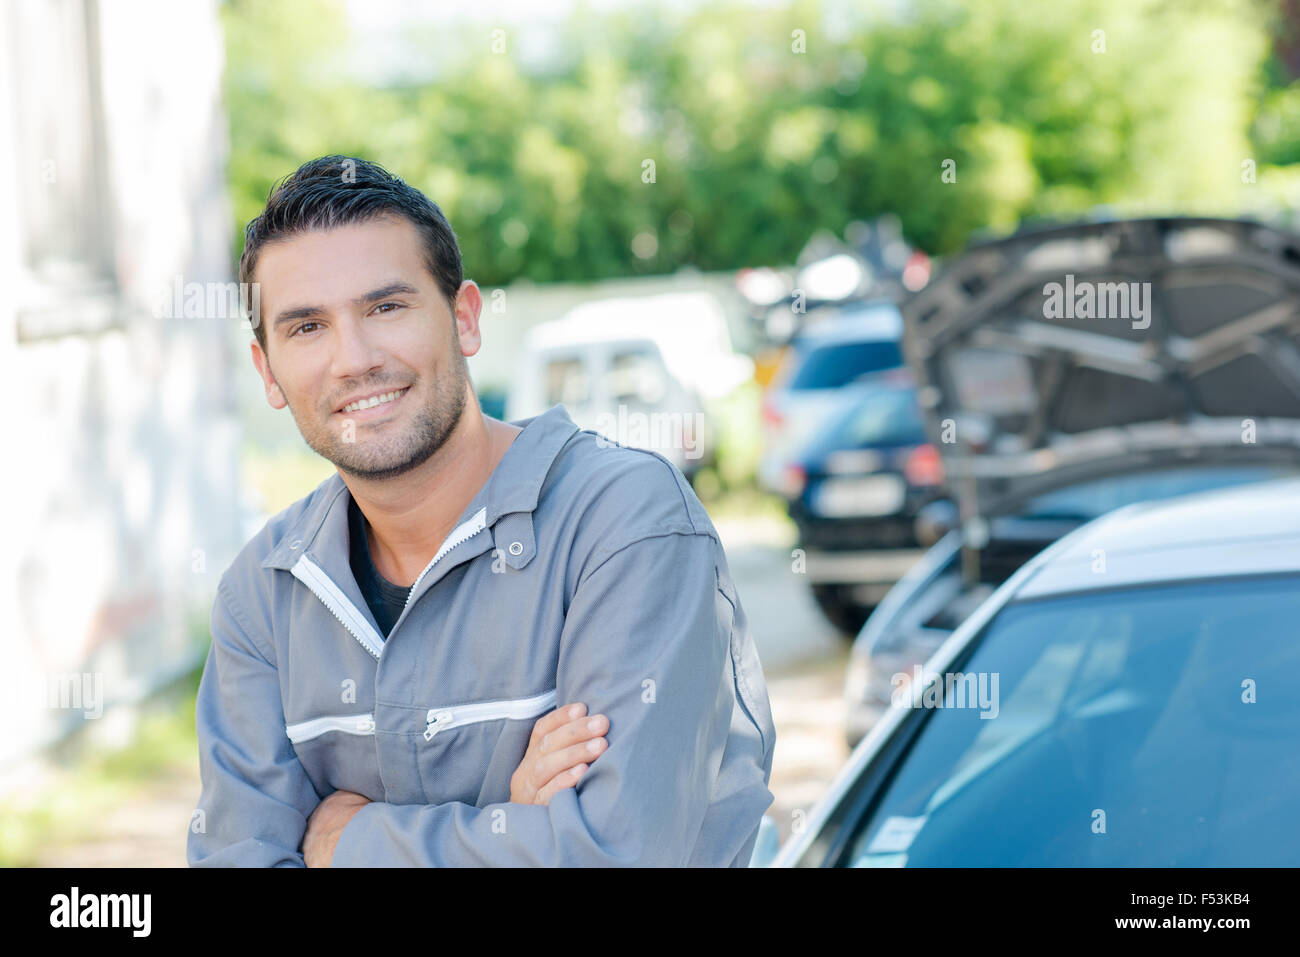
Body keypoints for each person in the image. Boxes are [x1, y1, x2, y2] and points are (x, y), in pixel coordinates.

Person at [186, 155, 777, 867]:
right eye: (307, 327)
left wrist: (348, 841)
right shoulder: (263, 595)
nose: (353, 359)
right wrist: (512, 825)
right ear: (267, 371)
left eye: (386, 307)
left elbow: (617, 856)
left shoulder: (626, 525)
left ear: (464, 319)